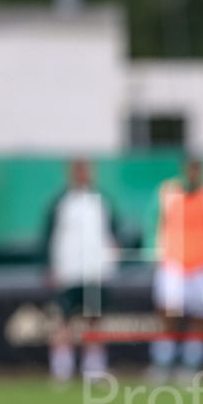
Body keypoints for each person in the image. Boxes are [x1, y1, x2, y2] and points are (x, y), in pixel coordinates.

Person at [147, 158, 203, 382]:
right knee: (168, 311)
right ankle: (162, 362)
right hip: (172, 261)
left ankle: (191, 364)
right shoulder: (167, 192)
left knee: (201, 315)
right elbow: (153, 221)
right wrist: (153, 251)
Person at [42, 159, 120, 381]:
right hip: (68, 271)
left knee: (94, 318)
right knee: (63, 319)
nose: (82, 175)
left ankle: (93, 367)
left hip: (95, 271)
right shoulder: (60, 203)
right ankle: (62, 367)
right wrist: (50, 266)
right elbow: (48, 237)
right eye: (77, 171)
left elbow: (112, 233)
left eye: (86, 170)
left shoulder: (101, 201)